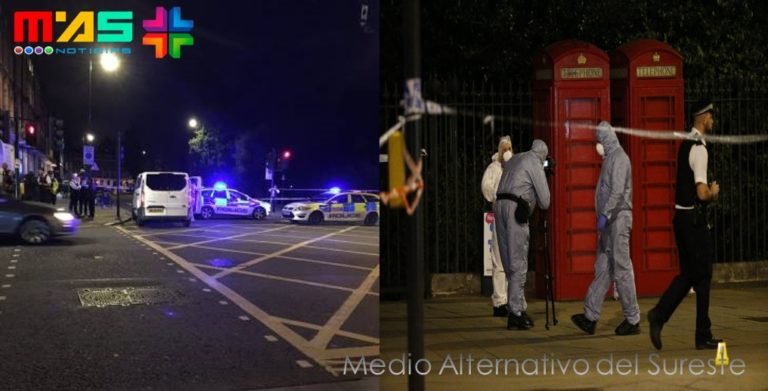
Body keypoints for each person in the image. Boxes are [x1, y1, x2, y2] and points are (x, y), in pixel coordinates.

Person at [648, 99, 722, 351]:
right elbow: (701, 192)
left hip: (681, 218)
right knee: (701, 275)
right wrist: (713, 192)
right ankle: (693, 330)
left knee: (693, 276)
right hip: (693, 221)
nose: (713, 120)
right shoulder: (699, 149)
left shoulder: (686, 143)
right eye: (711, 116)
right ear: (704, 117)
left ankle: (669, 319)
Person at [571, 121, 640, 336]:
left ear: (607, 139)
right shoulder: (610, 159)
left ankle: (633, 318)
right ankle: (590, 317)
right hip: (609, 222)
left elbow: (617, 192)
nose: (597, 145)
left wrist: (605, 214)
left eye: (599, 140)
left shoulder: (619, 158)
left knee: (621, 268)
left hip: (617, 219)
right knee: (603, 268)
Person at [494, 139, 550, 330]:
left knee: (508, 262)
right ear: (542, 155)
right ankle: (516, 314)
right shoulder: (535, 161)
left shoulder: (516, 158)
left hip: (499, 205)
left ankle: (518, 305)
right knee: (518, 262)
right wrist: (543, 175)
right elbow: (545, 201)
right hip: (516, 209)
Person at [481, 135, 514, 317]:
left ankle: (511, 299)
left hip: (513, 218)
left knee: (513, 260)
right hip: (500, 215)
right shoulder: (494, 168)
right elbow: (486, 188)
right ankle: (500, 301)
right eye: (504, 148)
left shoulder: (515, 167)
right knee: (499, 259)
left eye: (509, 148)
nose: (507, 151)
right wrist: (497, 196)